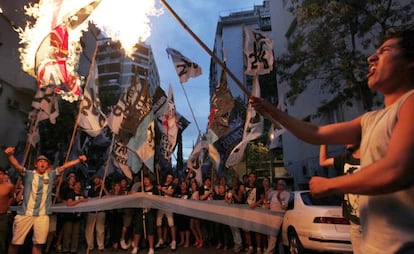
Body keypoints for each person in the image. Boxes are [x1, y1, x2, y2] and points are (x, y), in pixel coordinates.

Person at [249, 27, 414, 253]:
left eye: (385, 50)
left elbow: (397, 170)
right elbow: (315, 133)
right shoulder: (369, 119)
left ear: (409, 62)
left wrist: (330, 184)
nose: (371, 57)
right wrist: (271, 111)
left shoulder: (410, 103)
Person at [4, 147, 86, 254]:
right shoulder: (28, 174)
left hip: (42, 215)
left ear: (47, 166)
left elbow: (64, 167)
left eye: (45, 162)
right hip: (25, 213)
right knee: (15, 243)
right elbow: (17, 166)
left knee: (38, 244)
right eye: (40, 161)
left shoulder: (50, 175)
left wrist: (78, 160)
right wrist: (10, 155)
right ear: (35, 165)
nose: (42, 163)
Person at [319, 144, 362, 253]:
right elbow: (323, 161)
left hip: (373, 220)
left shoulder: (372, 156)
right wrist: (324, 142)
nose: (344, 141)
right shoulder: (345, 158)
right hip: (355, 222)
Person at [130, 174, 159, 254]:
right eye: (144, 180)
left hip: (150, 213)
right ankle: (135, 247)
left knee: (150, 230)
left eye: (147, 179)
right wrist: (135, 193)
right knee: (137, 229)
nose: (145, 181)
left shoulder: (155, 190)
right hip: (140, 212)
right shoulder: (141, 188)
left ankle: (151, 248)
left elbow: (157, 200)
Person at [263, 180, 290, 254]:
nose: (280, 186)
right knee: (269, 233)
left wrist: (279, 199)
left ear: (284, 186)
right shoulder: (273, 192)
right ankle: (271, 250)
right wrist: (267, 191)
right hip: (271, 214)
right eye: (278, 184)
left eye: (281, 184)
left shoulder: (286, 194)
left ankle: (269, 252)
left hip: (279, 215)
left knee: (273, 233)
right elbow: (266, 200)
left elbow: (284, 206)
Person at [85, 174, 108, 253]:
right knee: (89, 229)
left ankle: (100, 246)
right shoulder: (91, 189)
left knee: (100, 229)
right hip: (91, 211)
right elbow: (88, 198)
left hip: (100, 211)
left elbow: (108, 197)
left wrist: (103, 187)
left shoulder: (102, 188)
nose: (96, 180)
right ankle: (90, 246)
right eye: (94, 179)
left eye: (97, 178)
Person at [154, 172, 177, 251]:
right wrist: (159, 189)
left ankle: (174, 241)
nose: (169, 179)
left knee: (171, 224)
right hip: (160, 206)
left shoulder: (173, 185)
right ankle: (160, 240)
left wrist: (162, 189)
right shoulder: (161, 184)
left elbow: (170, 192)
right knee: (158, 224)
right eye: (168, 177)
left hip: (169, 206)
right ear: (166, 177)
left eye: (171, 178)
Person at [0, 168, 14, 254]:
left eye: (0, 173)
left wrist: (7, 206)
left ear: (4, 175)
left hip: (2, 216)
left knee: (2, 240)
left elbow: (12, 197)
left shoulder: (9, 186)